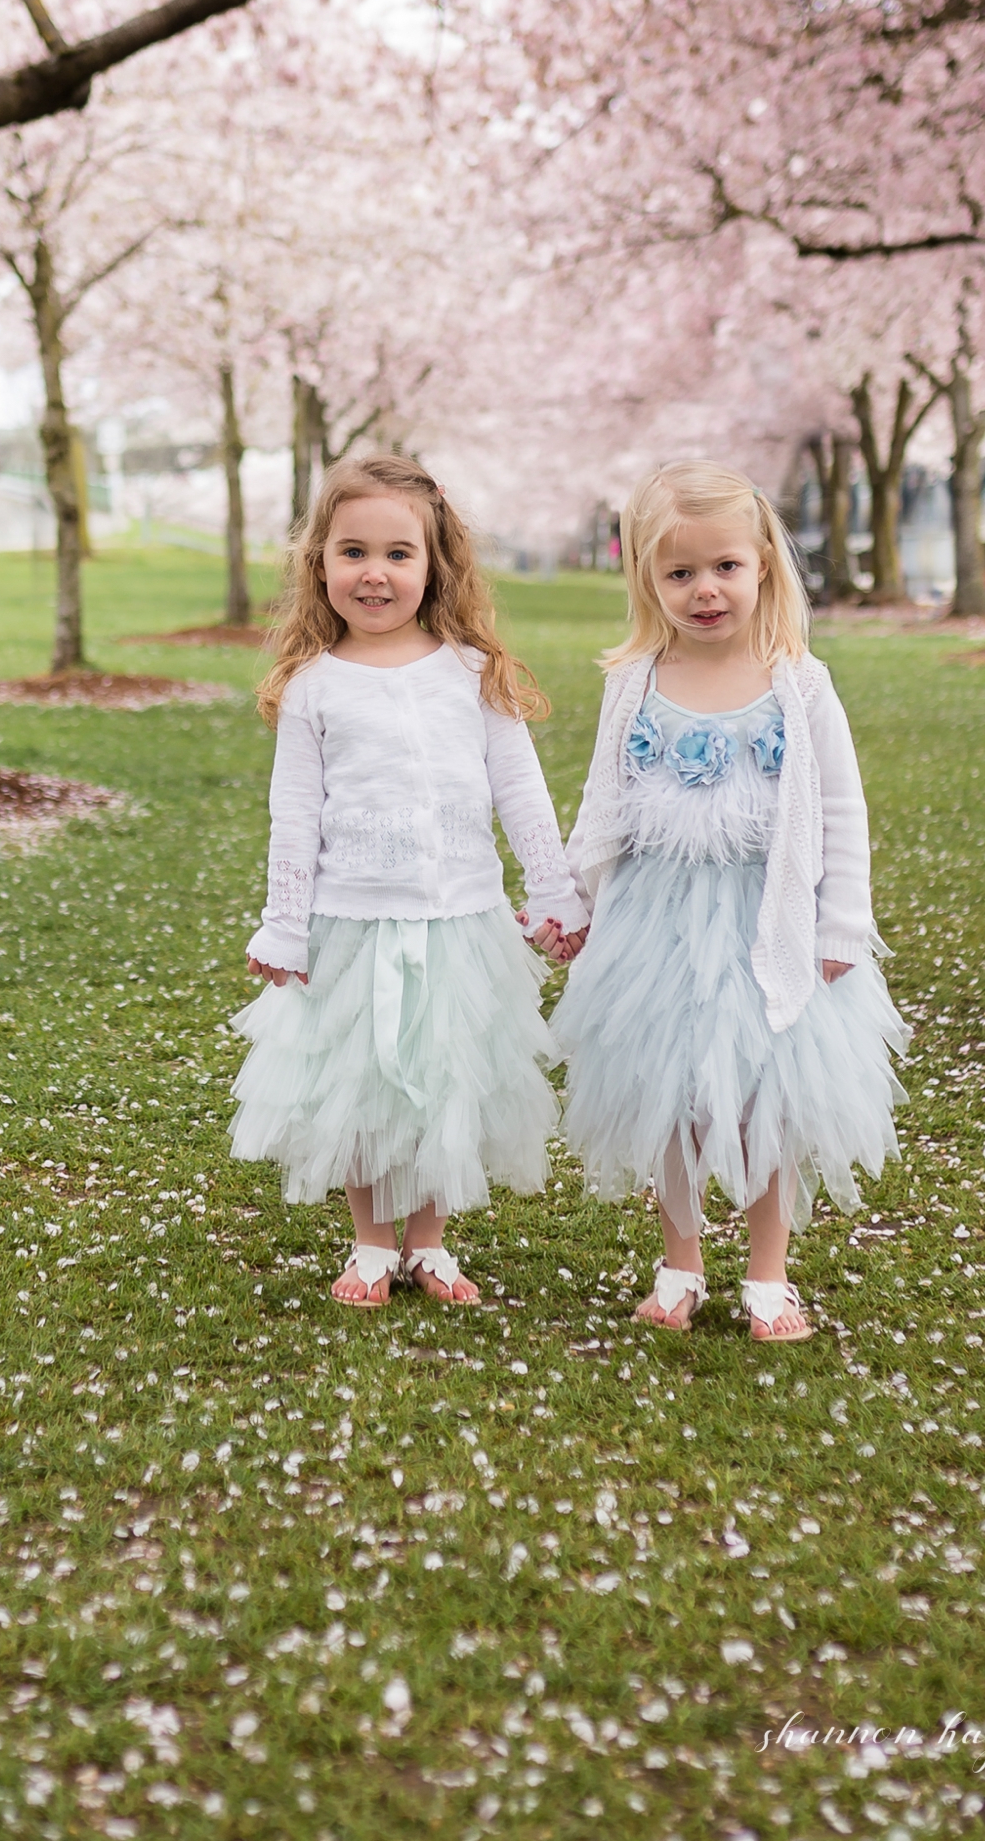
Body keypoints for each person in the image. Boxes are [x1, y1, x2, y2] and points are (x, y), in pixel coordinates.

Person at [551, 459, 906, 1341]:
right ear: (647, 581)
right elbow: (604, 801)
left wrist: (842, 923)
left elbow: (842, 810)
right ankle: (680, 1261)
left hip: (767, 918)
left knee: (768, 1096)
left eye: (724, 568)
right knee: (670, 1091)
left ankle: (768, 1272)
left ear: (763, 569)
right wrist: (577, 899)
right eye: (679, 574)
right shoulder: (633, 681)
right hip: (658, 923)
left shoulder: (798, 683)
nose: (705, 590)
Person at [230, 453, 589, 1309]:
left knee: (440, 1077)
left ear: (435, 567)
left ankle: (428, 1245)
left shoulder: (471, 672)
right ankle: (370, 1243)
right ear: (320, 563)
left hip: (457, 918)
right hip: (349, 919)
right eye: (353, 552)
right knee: (360, 1082)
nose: (375, 573)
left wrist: (555, 889)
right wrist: (284, 923)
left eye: (399, 554)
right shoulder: (314, 687)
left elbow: (521, 791)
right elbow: (296, 816)